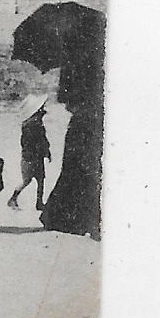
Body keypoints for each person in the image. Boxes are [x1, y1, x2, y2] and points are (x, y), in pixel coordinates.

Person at [39, 43, 104, 240]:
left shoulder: (72, 63)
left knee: (74, 167)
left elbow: (65, 99)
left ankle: (63, 219)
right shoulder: (105, 59)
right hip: (100, 121)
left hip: (81, 122)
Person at [7, 93, 51, 212]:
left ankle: (38, 202)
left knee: (37, 180)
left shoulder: (32, 123)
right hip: (31, 157)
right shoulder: (33, 124)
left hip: (32, 156)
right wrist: (45, 151)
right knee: (29, 180)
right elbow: (39, 140)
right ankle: (15, 198)